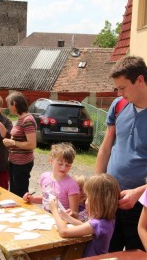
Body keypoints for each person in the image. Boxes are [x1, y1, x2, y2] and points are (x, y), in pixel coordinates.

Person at [95, 56, 147, 251]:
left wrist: (139, 192)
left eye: (123, 87)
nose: (119, 93)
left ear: (140, 80)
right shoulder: (118, 105)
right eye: (117, 88)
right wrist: (97, 187)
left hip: (142, 206)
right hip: (111, 200)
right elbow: (106, 147)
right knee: (108, 253)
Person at [49, 173, 120, 258]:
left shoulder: (98, 224)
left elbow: (64, 232)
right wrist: (67, 217)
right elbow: (84, 226)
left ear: (97, 201)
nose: (86, 201)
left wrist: (54, 211)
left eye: (88, 197)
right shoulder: (106, 220)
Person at [23, 142, 80, 217]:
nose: (63, 168)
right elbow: (45, 198)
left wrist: (69, 214)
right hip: (44, 218)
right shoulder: (44, 177)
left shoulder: (72, 185)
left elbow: (75, 214)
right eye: (60, 164)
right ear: (51, 161)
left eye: (68, 165)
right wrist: (32, 199)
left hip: (61, 223)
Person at [3, 91, 37, 197]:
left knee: (20, 193)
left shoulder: (28, 120)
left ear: (15, 104)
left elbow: (32, 145)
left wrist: (13, 142)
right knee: (13, 192)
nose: (9, 107)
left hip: (22, 163)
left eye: (9, 104)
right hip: (14, 162)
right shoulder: (20, 118)